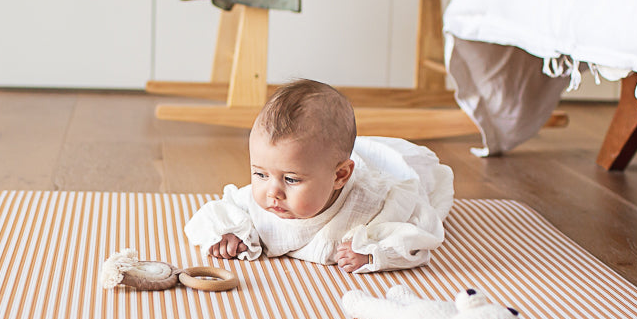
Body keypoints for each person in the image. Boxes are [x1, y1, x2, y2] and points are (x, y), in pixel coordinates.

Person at [185, 79, 454, 273]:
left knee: (418, 176)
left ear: (340, 176)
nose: (272, 192)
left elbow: (418, 235)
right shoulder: (262, 197)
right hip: (324, 164)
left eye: (291, 179)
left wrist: (372, 253)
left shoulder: (372, 205)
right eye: (260, 173)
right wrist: (228, 234)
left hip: (380, 169)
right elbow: (218, 211)